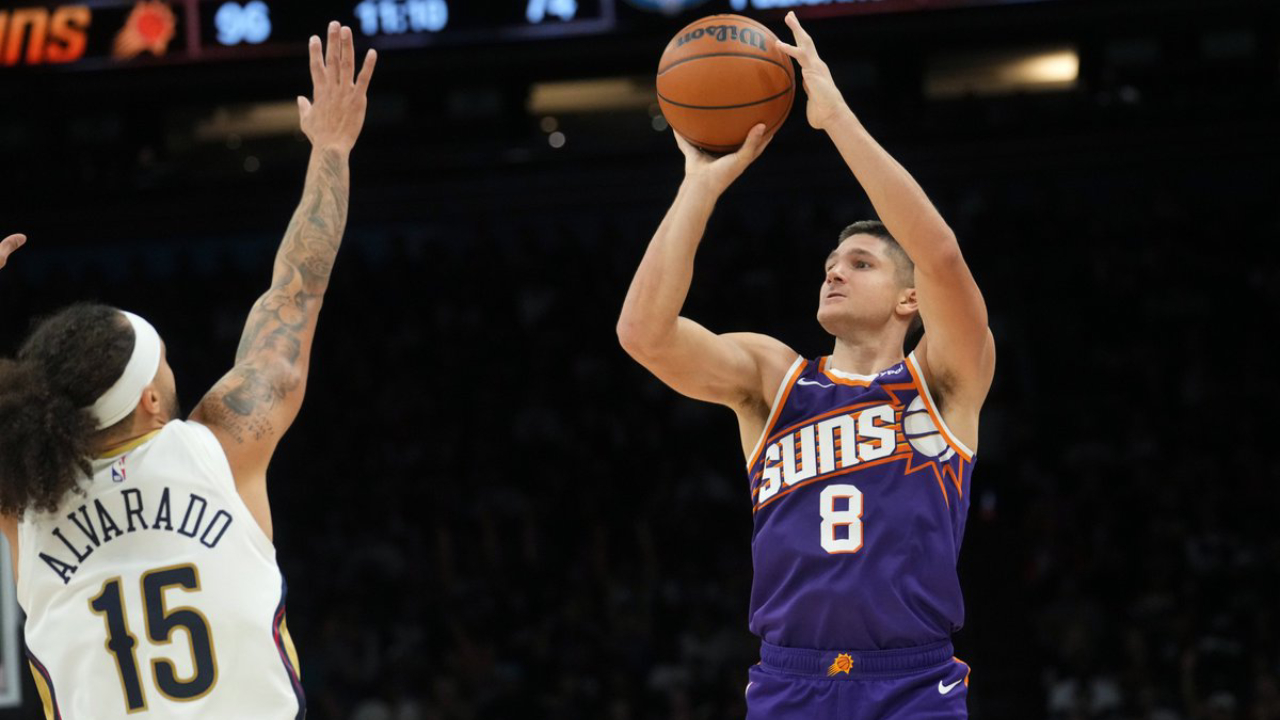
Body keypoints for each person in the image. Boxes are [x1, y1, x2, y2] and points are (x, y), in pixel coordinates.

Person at [617, 12, 994, 719]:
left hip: (912, 683)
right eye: (830, 263)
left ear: (910, 297)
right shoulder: (774, 379)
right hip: (790, 680)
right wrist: (698, 186)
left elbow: (940, 253)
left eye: (861, 263)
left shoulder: (943, 379)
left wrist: (836, 120)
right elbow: (643, 333)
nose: (835, 272)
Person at [0, 22, 375, 719]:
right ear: (150, 400)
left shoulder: (23, 502)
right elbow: (296, 292)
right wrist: (331, 150)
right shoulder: (219, 451)